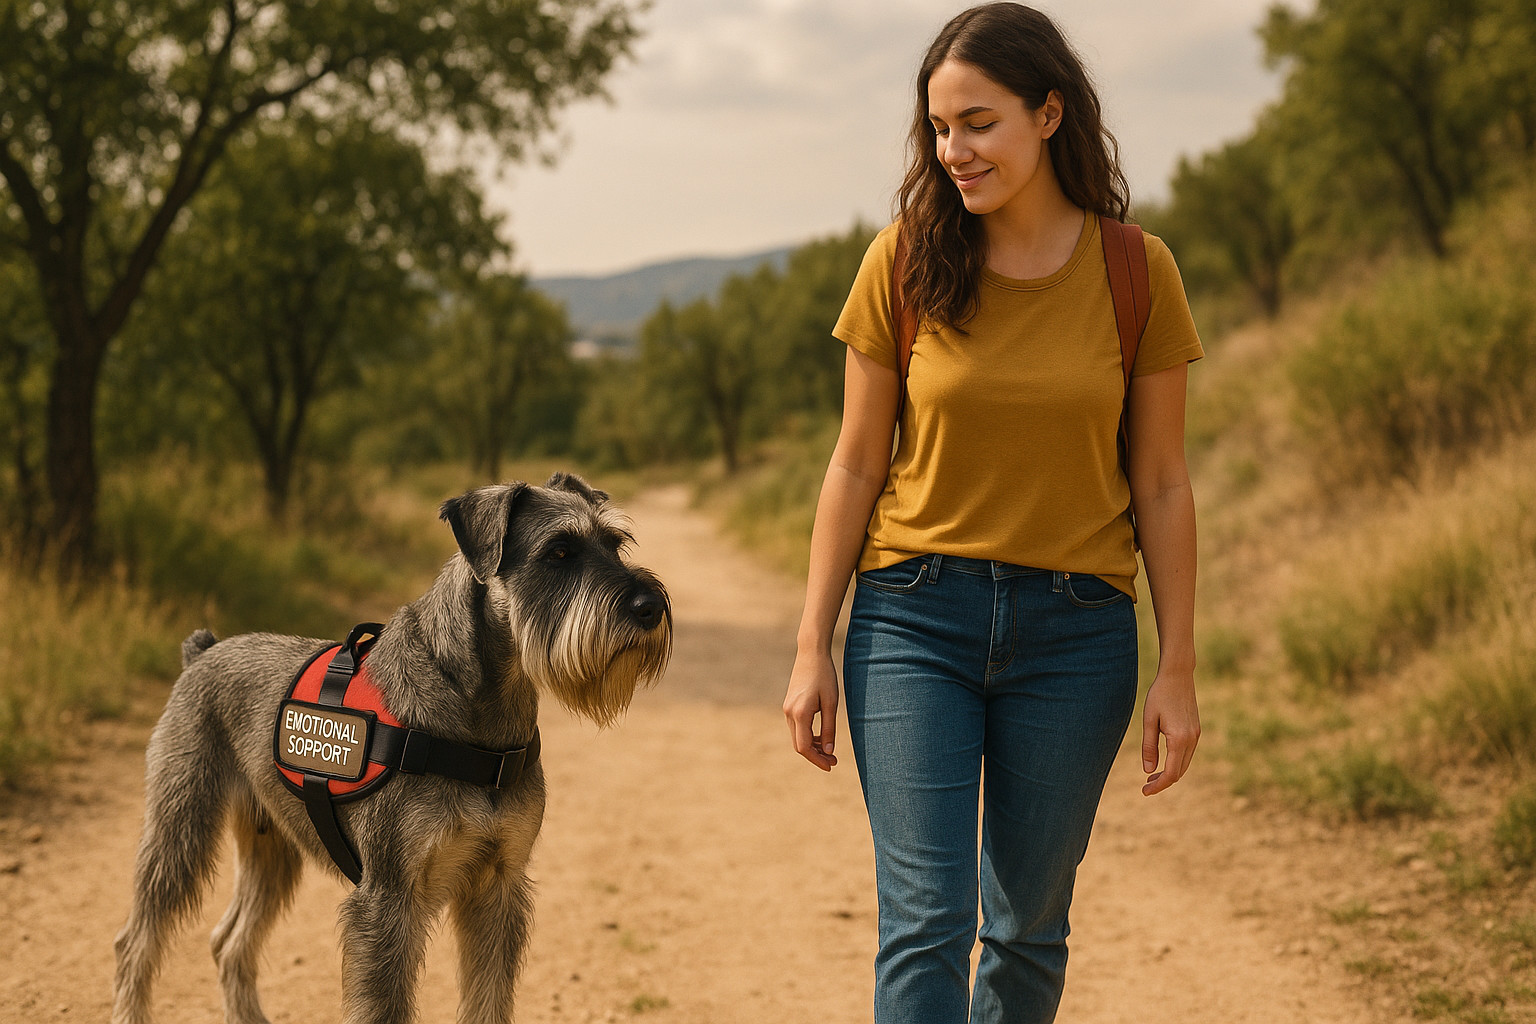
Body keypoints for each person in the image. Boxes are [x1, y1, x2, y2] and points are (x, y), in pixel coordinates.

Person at [781, 4, 1204, 1022]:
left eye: (979, 123)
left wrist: (1178, 666)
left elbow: (1160, 481)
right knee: (926, 921)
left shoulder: (1136, 271)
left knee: (1026, 928)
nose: (953, 150)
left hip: (1078, 634)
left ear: (1049, 113)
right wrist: (810, 644)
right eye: (939, 128)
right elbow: (854, 463)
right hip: (912, 620)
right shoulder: (904, 261)